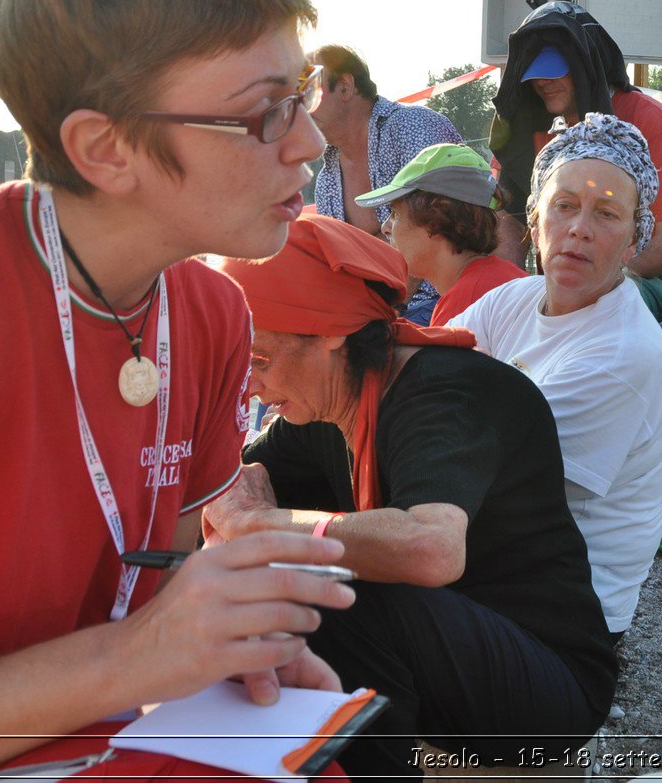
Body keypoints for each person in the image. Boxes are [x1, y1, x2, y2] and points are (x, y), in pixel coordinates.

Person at [0, 0, 356, 778]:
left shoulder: (211, 314)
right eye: (265, 112)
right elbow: (136, 641)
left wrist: (230, 644)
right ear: (106, 147)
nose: (311, 141)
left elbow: (154, 574)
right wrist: (141, 655)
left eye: (305, 95)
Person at [210, 215, 616, 779]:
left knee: (336, 588)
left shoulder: (447, 392)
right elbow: (226, 483)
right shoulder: (322, 400)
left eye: (257, 361)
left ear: (330, 332)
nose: (249, 386)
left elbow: (431, 548)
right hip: (452, 659)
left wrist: (259, 524)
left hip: (548, 692)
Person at [451, 114, 662, 637]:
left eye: (607, 213)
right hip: (494, 571)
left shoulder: (622, 354)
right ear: (535, 221)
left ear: (632, 243)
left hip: (558, 621)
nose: (579, 228)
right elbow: (418, 368)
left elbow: (489, 484)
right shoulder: (514, 300)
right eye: (566, 206)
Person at [490, 0, 662, 319]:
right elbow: (508, 224)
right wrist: (506, 298)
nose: (541, 82)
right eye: (534, 73)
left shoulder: (652, 121)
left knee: (593, 302)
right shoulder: (525, 125)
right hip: (564, 282)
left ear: (586, 67)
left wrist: (591, 278)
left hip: (651, 282)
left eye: (554, 72)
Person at [308, 43, 464, 324]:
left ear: (344, 87)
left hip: (445, 302)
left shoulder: (412, 127)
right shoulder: (326, 178)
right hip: (379, 313)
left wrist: (381, 316)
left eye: (309, 93)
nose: (300, 109)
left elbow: (437, 229)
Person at [355, 143, 526, 325]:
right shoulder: (498, 281)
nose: (385, 228)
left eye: (396, 214)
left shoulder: (464, 305)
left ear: (435, 221)